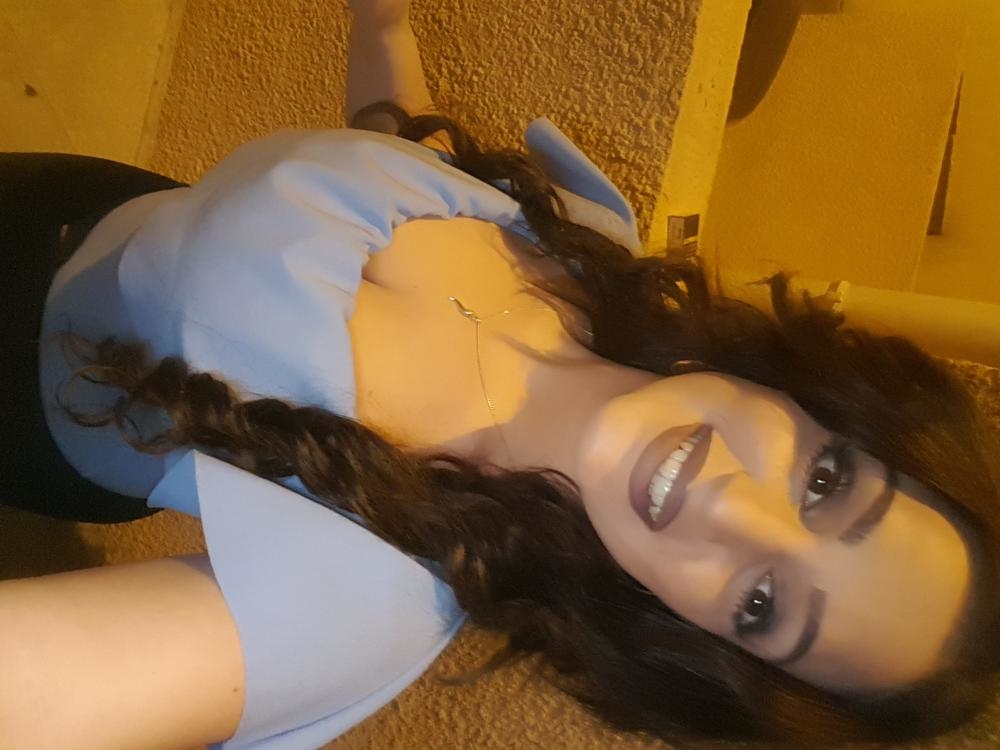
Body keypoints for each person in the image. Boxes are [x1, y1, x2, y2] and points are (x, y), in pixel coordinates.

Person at [2, 0, 999, 747]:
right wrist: (383, 19)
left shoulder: (366, 608)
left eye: (761, 606)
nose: (731, 508)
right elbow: (394, 150)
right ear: (820, 403)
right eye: (824, 482)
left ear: (697, 642)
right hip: (68, 193)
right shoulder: (591, 246)